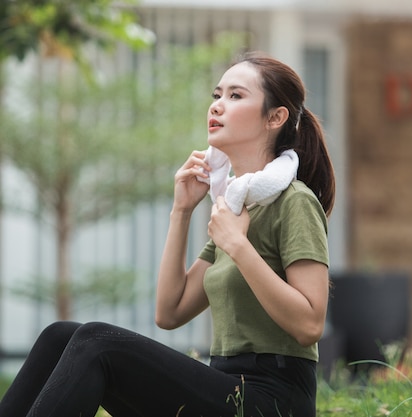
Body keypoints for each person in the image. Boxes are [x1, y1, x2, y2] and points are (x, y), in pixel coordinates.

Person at [0, 51, 335, 417]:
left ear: (275, 117)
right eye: (217, 95)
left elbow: (309, 324)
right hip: (224, 385)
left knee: (97, 342)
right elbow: (170, 311)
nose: (218, 106)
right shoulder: (235, 208)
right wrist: (182, 211)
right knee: (59, 336)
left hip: (272, 399)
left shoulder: (294, 202)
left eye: (236, 96)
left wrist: (238, 246)